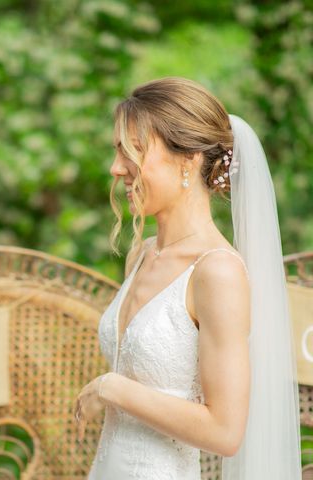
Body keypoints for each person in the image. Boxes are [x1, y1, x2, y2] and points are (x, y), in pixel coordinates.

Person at [75, 77, 301, 479]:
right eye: (117, 152)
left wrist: (114, 389)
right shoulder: (142, 254)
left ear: (189, 160)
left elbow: (225, 431)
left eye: (135, 151)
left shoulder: (216, 272)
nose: (115, 168)